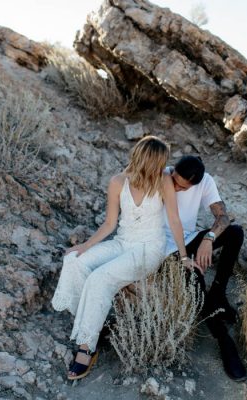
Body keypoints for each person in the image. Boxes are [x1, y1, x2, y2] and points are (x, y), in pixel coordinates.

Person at [51, 136, 189, 381]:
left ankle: (86, 348)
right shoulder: (117, 182)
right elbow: (109, 224)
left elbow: (175, 220)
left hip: (148, 249)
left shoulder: (163, 181)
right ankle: (92, 321)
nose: (164, 166)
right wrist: (84, 246)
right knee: (74, 261)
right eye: (161, 161)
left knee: (100, 278)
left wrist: (185, 257)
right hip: (122, 243)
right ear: (149, 160)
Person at [164, 155, 247, 381]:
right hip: (165, 250)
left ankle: (219, 293)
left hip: (189, 239)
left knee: (235, 233)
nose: (177, 188)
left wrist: (209, 238)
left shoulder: (205, 181)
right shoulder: (163, 175)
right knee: (197, 280)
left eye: (183, 187)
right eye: (175, 181)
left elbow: (223, 217)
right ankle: (223, 339)